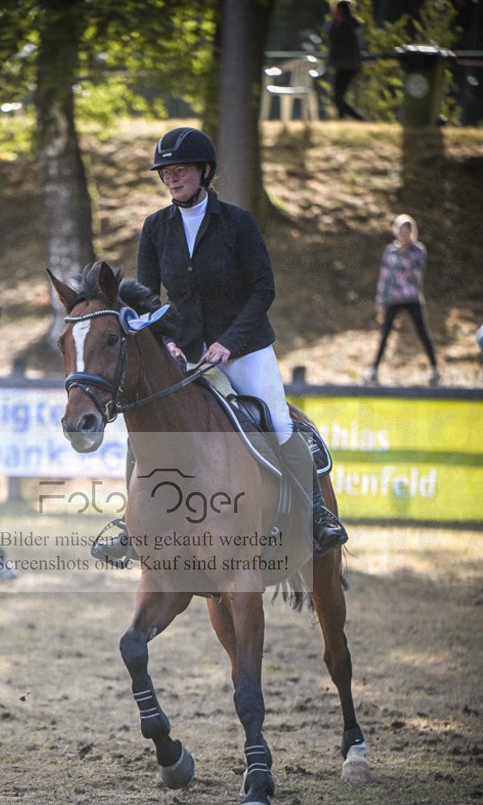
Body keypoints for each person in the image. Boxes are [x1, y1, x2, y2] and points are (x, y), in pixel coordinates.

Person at [101, 126, 347, 562]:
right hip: (186, 354)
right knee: (147, 425)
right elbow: (145, 300)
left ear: (205, 171)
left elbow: (263, 291)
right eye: (165, 172)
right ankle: (132, 522)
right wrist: (168, 344)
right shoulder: (155, 228)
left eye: (181, 170)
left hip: (246, 349)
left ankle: (317, 515)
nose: (172, 178)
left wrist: (228, 344)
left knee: (277, 421)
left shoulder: (237, 222)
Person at [366, 214, 440, 385]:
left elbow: (417, 276)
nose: (403, 234)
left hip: (412, 297)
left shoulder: (418, 251)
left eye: (407, 231)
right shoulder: (390, 251)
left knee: (423, 333)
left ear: (412, 232)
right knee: (385, 334)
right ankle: (374, 369)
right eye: (401, 230)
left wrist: (406, 255)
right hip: (393, 298)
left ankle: (435, 368)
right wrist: (380, 301)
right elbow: (384, 277)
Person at [325, 1, 366, 121]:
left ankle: (361, 120)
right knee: (339, 96)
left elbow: (330, 35)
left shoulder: (345, 25)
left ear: (341, 10)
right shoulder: (350, 24)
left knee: (337, 97)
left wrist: (333, 20)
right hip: (348, 65)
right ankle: (341, 119)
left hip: (346, 66)